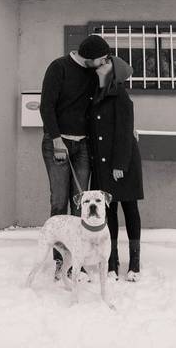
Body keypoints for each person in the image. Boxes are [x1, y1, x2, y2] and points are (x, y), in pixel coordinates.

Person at [39, 34, 111, 274]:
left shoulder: (94, 73)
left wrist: (102, 78)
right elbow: (46, 106)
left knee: (79, 202)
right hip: (58, 143)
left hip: (83, 146)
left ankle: (76, 262)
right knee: (59, 203)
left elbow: (101, 102)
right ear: (89, 57)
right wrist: (57, 139)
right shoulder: (58, 67)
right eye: (101, 59)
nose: (104, 62)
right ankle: (60, 261)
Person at [88, 54, 144, 281]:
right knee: (108, 212)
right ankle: (112, 263)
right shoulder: (97, 94)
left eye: (107, 62)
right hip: (103, 165)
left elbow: (123, 131)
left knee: (129, 210)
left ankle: (135, 265)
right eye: (101, 61)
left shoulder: (120, 94)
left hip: (123, 163)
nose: (101, 64)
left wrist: (120, 164)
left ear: (115, 71)